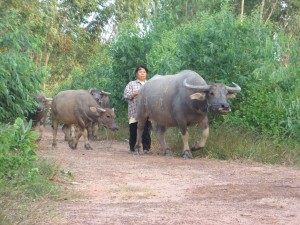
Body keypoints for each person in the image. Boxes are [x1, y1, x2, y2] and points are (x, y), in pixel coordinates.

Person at [123, 64, 151, 153]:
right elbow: (126, 95)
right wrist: (134, 94)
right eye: (140, 72)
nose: (142, 74)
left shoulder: (150, 84)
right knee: (133, 131)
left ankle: (146, 148)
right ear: (136, 74)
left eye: (144, 72)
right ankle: (132, 148)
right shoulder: (131, 84)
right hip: (134, 111)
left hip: (147, 113)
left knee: (146, 131)